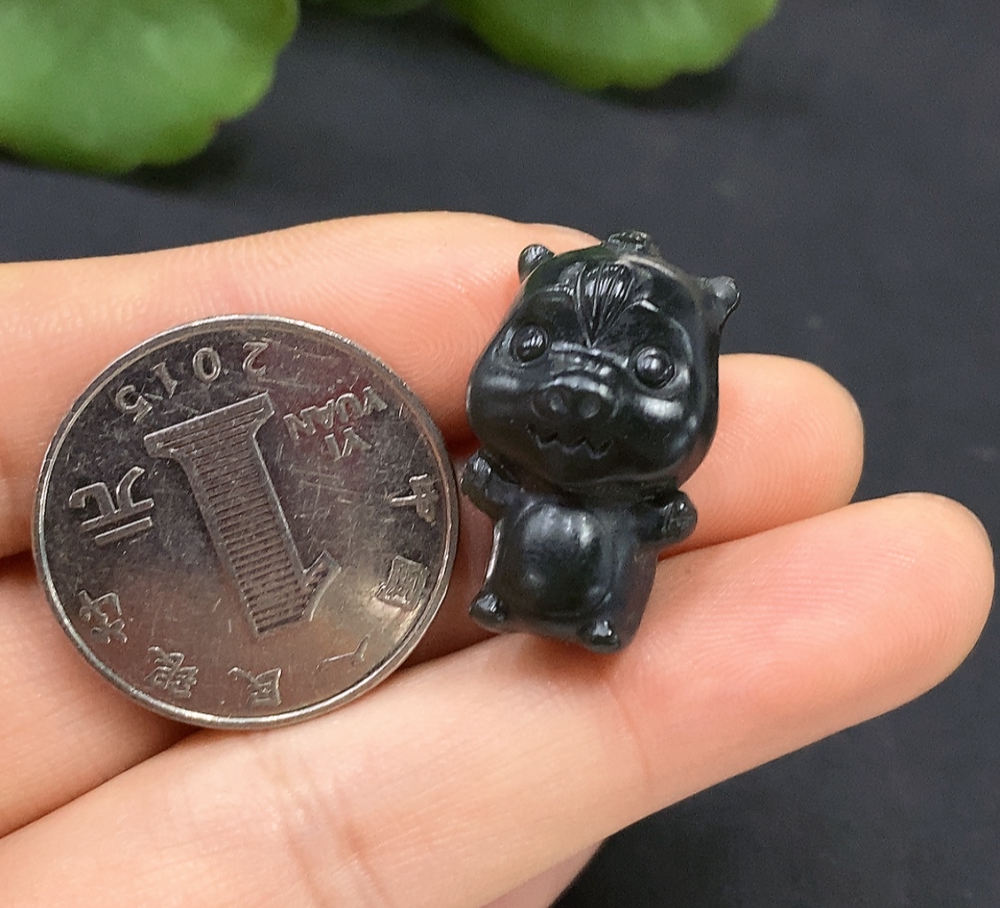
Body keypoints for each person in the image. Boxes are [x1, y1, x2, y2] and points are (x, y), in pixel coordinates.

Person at [0, 213, 992, 907]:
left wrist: (637, 511)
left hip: (599, 574)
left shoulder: (635, 492)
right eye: (536, 352)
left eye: (650, 369)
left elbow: (664, 511)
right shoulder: (507, 470)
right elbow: (496, 482)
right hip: (518, 562)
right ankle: (513, 603)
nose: (577, 391)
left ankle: (584, 618)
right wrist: (502, 488)